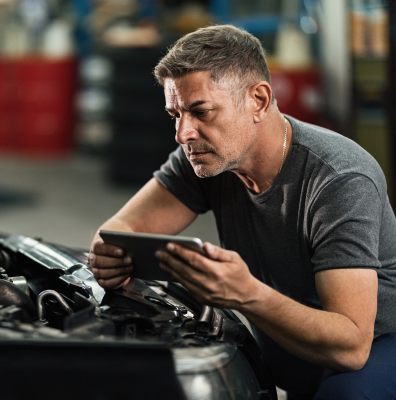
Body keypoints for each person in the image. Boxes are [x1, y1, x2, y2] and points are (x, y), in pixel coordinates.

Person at [88, 25, 396, 399]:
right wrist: (109, 255)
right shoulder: (205, 156)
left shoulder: (339, 178)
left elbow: (351, 345)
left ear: (259, 100)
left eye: (201, 111)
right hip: (297, 353)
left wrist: (247, 294)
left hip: (375, 348)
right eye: (175, 115)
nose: (183, 133)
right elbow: (121, 230)